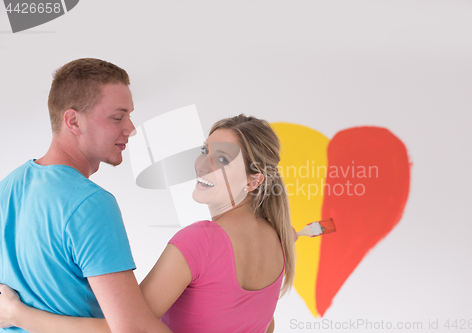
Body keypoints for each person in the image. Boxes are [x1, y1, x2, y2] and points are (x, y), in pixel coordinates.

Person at [1, 114, 296, 332]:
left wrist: (16, 314)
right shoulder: (279, 240)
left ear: (254, 180)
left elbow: (125, 327)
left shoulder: (201, 242)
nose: (202, 165)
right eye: (205, 151)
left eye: (222, 160)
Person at [0, 58, 173, 333]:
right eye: (118, 117)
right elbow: (132, 329)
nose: (131, 128)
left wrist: (18, 315)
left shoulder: (6, 188)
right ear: (73, 120)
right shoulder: (90, 203)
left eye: (129, 115)